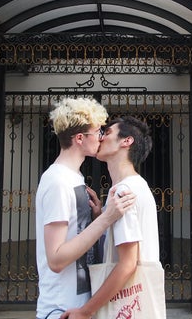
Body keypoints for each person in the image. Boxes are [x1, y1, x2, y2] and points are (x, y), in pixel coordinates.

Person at [36, 97, 136, 319]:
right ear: (80, 138)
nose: (102, 137)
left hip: (77, 306)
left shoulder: (75, 178)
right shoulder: (58, 181)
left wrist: (98, 216)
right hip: (60, 309)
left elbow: (78, 238)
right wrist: (105, 219)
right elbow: (56, 259)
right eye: (98, 131)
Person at [61, 115, 164, 319]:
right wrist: (102, 217)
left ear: (127, 141)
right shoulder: (138, 185)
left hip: (126, 305)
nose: (100, 138)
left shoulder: (124, 191)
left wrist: (85, 311)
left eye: (107, 133)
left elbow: (127, 264)